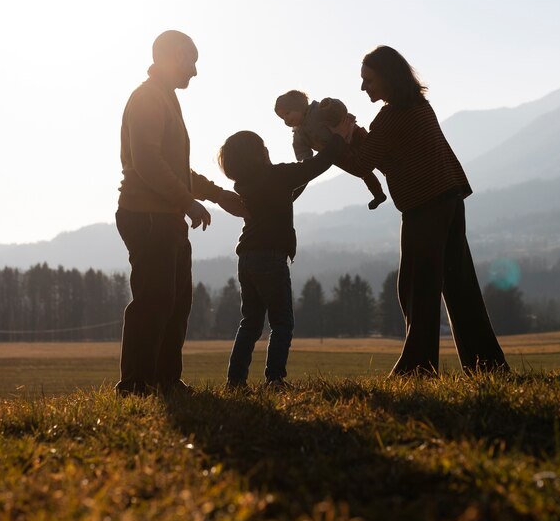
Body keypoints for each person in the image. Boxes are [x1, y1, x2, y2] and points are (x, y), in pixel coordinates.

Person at [348, 45, 507, 375]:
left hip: (426, 207)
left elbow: (363, 162)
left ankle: (418, 366)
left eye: (368, 80)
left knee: (416, 287)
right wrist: (360, 138)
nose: (364, 87)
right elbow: (392, 158)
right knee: (457, 284)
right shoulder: (418, 107)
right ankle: (486, 365)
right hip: (448, 198)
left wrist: (339, 139)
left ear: (387, 78)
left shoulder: (391, 117)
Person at [115, 30, 248, 395]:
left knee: (175, 302)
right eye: (192, 61)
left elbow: (174, 168)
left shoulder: (164, 99)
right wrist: (186, 200)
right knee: (154, 300)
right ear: (174, 56)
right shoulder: (147, 99)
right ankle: (135, 385)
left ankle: (165, 380)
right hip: (148, 215)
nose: (194, 71)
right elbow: (147, 162)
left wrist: (216, 194)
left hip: (165, 214)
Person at [216, 129, 345, 388]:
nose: (267, 150)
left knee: (250, 323)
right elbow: (317, 165)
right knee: (282, 322)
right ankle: (274, 380)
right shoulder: (278, 176)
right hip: (271, 258)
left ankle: (235, 381)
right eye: (263, 146)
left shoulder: (244, 184)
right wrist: (340, 139)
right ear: (258, 154)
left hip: (247, 258)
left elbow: (286, 193)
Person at [274, 90, 387, 210]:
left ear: (299, 106)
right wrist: (306, 162)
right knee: (362, 171)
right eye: (282, 118)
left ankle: (391, 170)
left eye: (287, 113)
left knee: (379, 156)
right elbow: (303, 154)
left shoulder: (317, 110)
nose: (286, 120)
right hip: (338, 153)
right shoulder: (299, 135)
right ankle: (378, 194)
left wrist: (329, 104)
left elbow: (340, 110)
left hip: (353, 134)